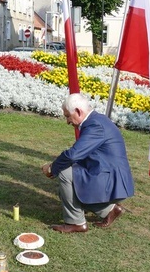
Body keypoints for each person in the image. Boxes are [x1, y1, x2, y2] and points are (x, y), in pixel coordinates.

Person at [42, 93, 135, 233]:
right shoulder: (96, 120)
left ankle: (76, 223)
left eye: (67, 116)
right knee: (66, 189)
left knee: (65, 174)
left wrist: (52, 168)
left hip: (111, 180)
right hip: (108, 173)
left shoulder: (95, 125)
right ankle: (109, 210)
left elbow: (73, 154)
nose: (67, 121)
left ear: (78, 112)